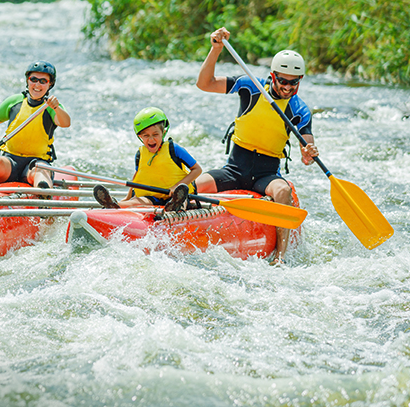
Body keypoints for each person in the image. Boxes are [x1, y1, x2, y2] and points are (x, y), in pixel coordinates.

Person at [195, 27, 318, 264]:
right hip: (233, 169)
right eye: (283, 81)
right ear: (273, 76)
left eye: (294, 83)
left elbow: (307, 154)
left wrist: (309, 152)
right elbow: (205, 83)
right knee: (191, 186)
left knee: (283, 191)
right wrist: (215, 49)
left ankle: (280, 257)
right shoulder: (251, 86)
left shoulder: (300, 110)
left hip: (266, 174)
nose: (288, 87)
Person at [0, 61, 71, 189]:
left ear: (50, 84)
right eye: (33, 79)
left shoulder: (51, 107)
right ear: (27, 81)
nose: (37, 84)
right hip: (9, 163)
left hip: (36, 163)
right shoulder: (15, 101)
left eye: (43, 81)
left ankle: (43, 195)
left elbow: (65, 123)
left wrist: (56, 107)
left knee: (40, 171)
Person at [93, 107, 202, 212]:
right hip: (152, 196)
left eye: (155, 134)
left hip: (176, 195)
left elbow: (197, 169)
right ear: (140, 136)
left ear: (163, 132)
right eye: (146, 135)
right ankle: (114, 204)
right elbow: (137, 178)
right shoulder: (140, 154)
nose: (151, 139)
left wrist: (176, 186)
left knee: (181, 201)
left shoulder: (175, 149)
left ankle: (175, 209)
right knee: (135, 201)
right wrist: (127, 198)